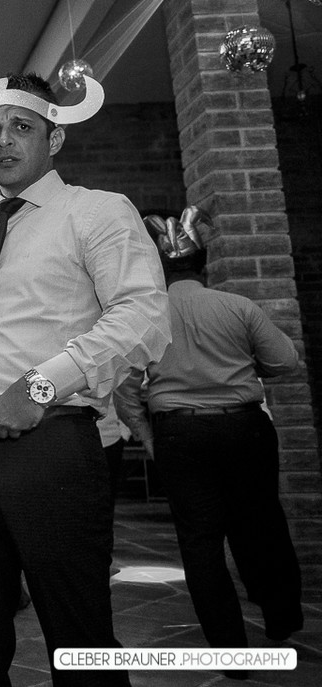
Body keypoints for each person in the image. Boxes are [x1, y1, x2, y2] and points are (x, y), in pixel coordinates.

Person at [0, 73, 170, 686]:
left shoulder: (96, 210)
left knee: (78, 635)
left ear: (54, 140)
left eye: (22, 128)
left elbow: (143, 314)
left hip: (51, 442)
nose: (3, 141)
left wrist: (39, 386)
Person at [115, 207, 304, 654]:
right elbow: (285, 362)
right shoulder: (237, 306)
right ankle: (281, 619)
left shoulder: (146, 317)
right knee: (261, 524)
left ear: (158, 271)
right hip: (245, 429)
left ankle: (228, 644)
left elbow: (124, 393)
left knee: (200, 541)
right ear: (202, 267)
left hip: (180, 435)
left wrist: (148, 436)